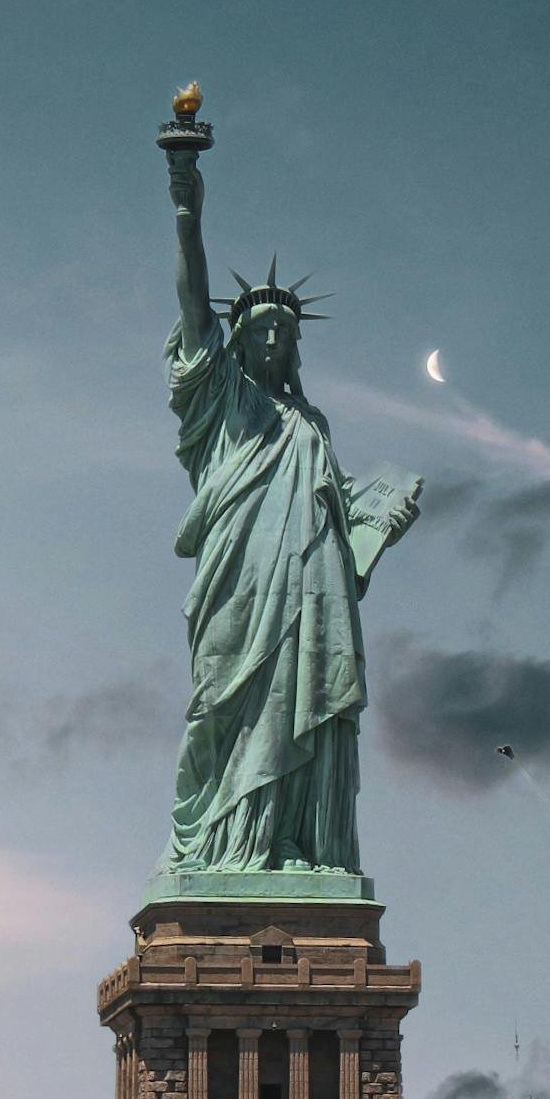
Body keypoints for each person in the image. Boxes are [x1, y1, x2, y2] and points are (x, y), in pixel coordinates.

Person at [160, 146, 421, 877]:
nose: (272, 337)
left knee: (305, 698)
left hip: (312, 591)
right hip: (240, 585)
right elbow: (192, 305)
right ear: (236, 341)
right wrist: (188, 210)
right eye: (258, 328)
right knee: (231, 706)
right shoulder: (223, 405)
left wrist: (377, 520)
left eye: (285, 329)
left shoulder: (312, 425)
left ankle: (293, 844)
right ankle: (225, 843)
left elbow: (339, 510)